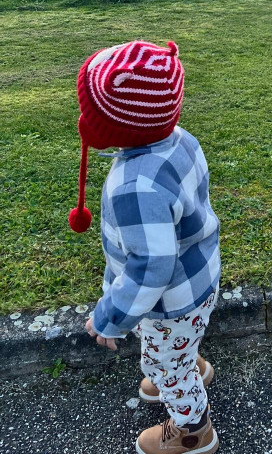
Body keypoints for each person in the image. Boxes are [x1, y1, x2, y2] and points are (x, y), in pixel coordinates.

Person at [69, 39, 221, 454]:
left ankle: (193, 430)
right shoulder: (180, 138)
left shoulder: (134, 186)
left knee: (165, 357)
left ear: (115, 125)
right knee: (179, 343)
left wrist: (111, 316)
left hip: (168, 302)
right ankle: (189, 364)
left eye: (90, 111)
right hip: (200, 277)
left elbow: (150, 265)